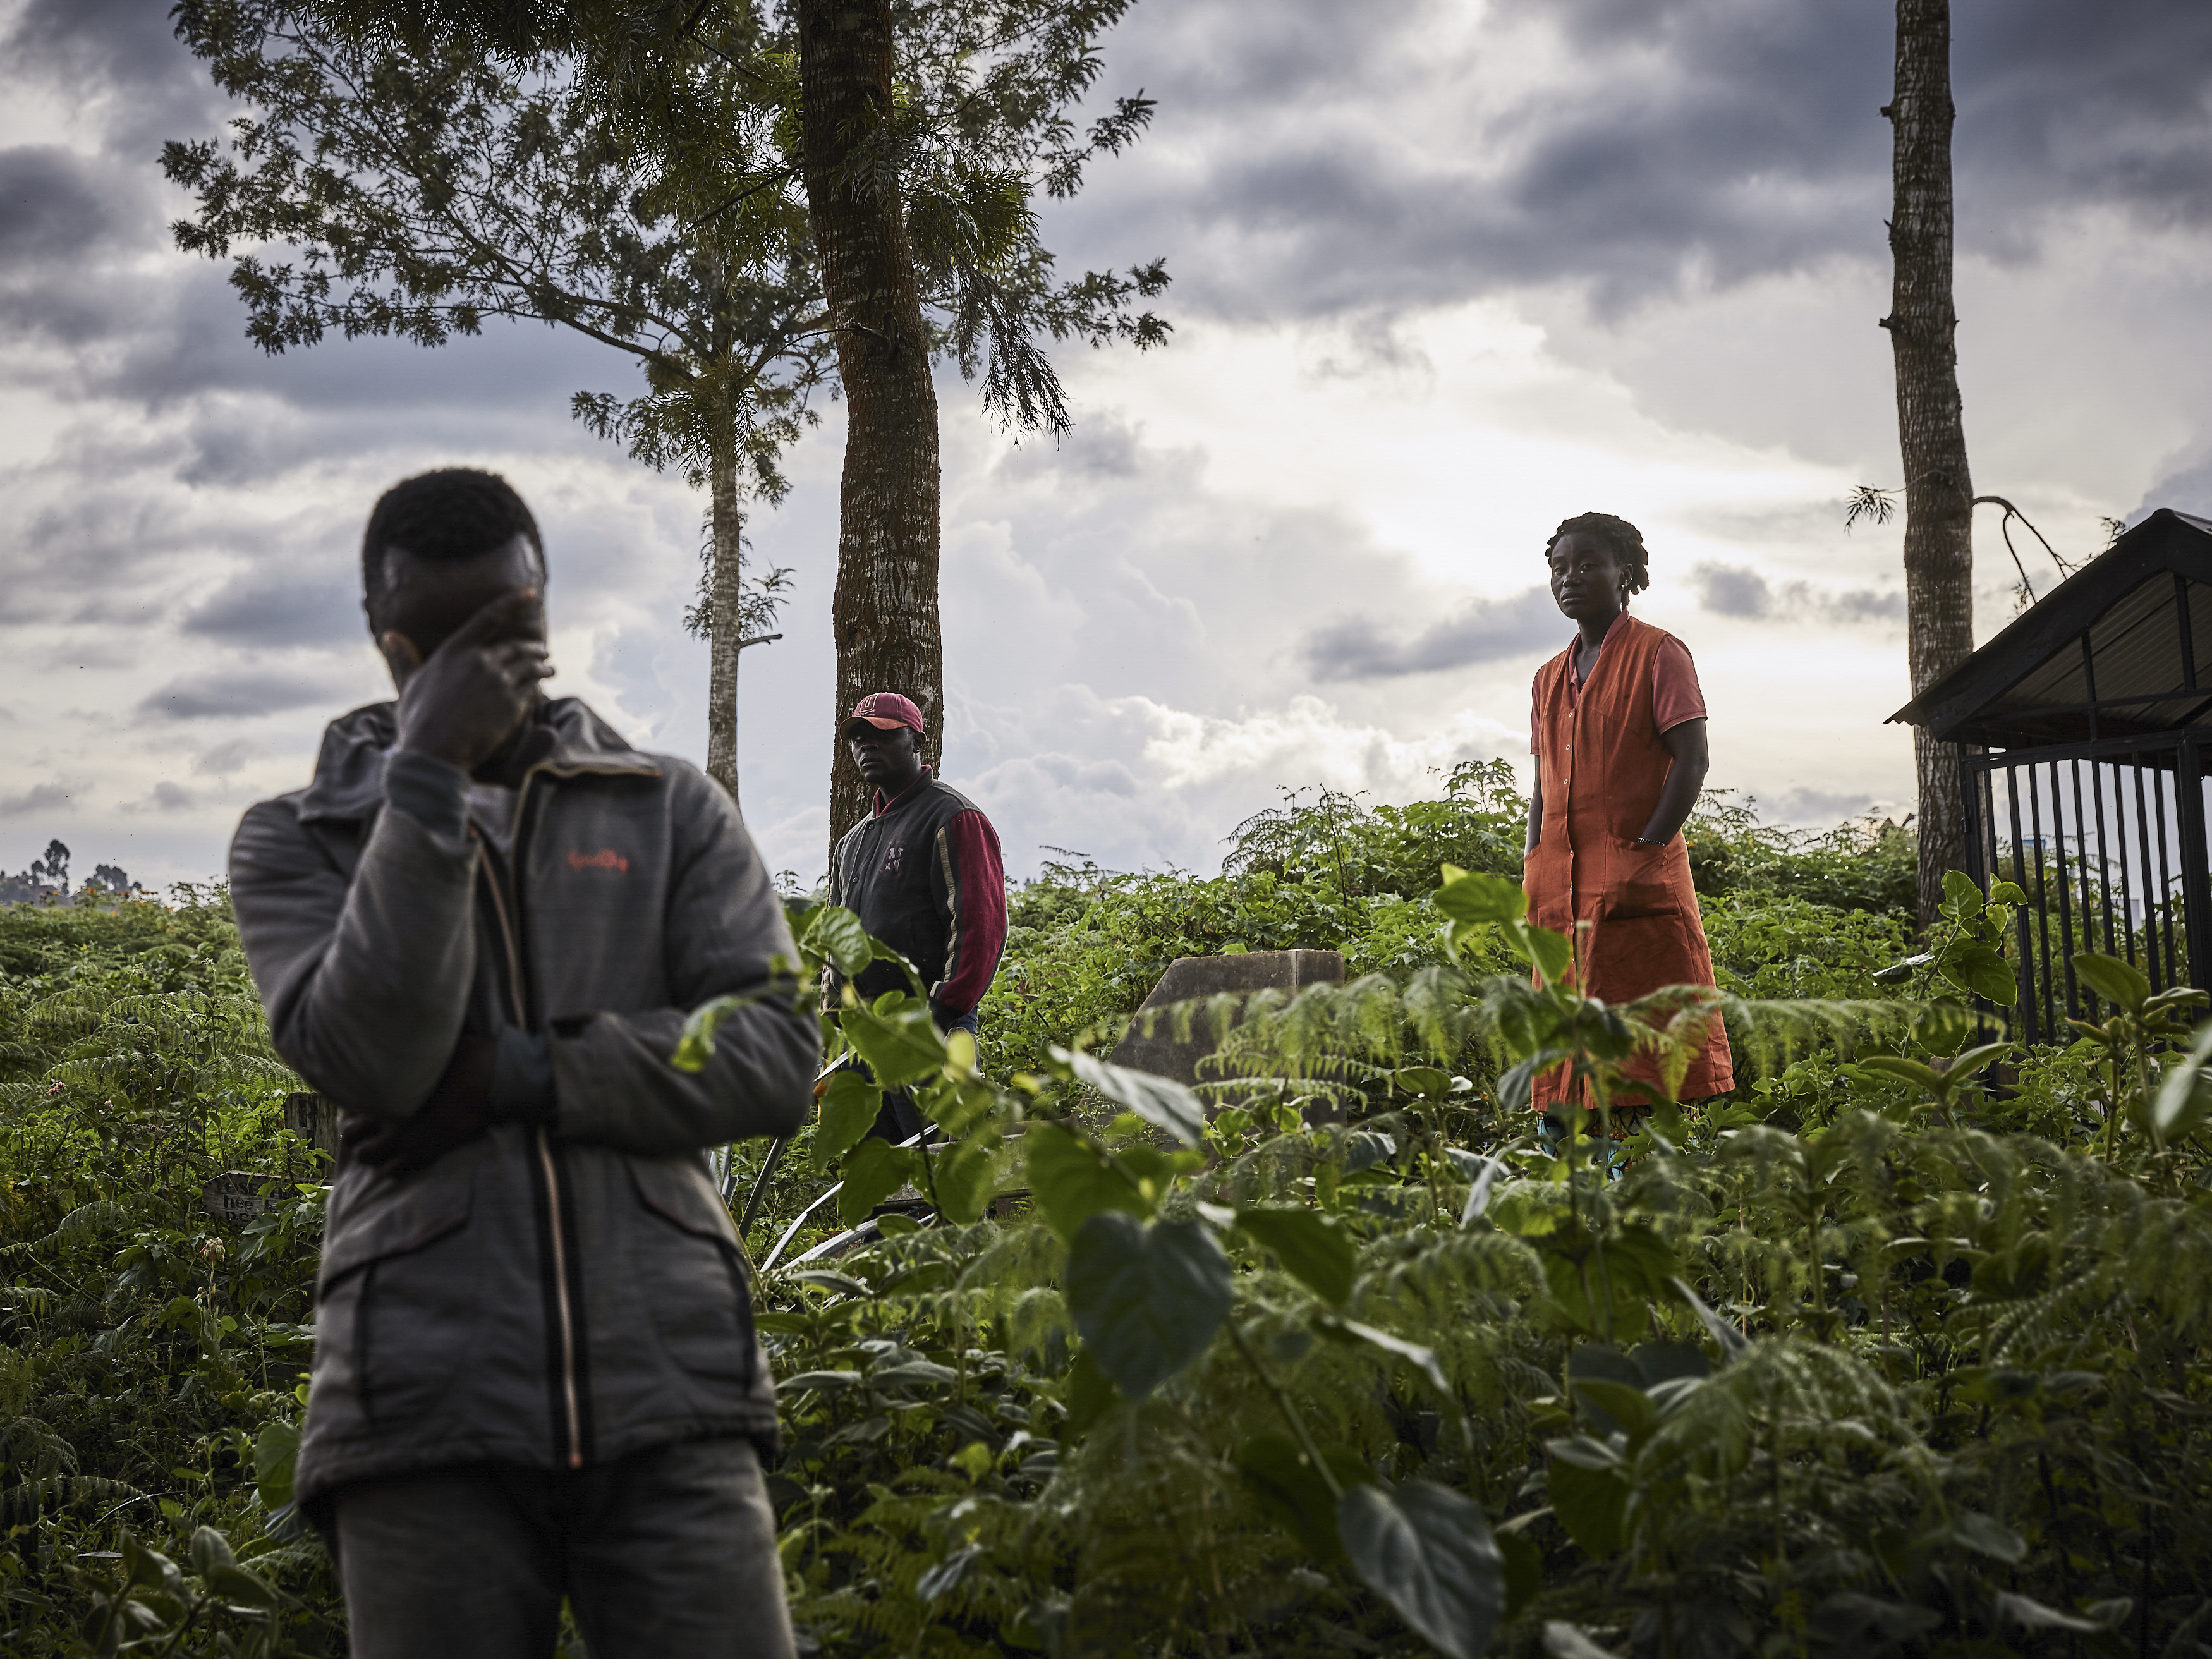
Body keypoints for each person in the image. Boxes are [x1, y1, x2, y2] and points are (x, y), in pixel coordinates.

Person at [227, 468, 816, 1659]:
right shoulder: (295, 840)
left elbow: (775, 1055)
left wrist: (514, 1076)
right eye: (442, 648)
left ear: (542, 612)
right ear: (388, 647)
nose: (482, 670)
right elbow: (376, 1061)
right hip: (418, 1404)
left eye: (505, 634)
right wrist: (430, 775)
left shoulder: (668, 809)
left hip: (674, 1387)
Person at [1522, 511, 1735, 1121]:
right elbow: (1541, 787)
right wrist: (1533, 860)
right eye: (1560, 567)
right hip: (1560, 897)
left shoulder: (1659, 653)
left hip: (1637, 886)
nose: (1571, 578)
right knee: (1566, 1056)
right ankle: (1572, 1197)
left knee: (1642, 1057)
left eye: (1589, 564)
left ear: (1627, 575)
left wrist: (1645, 849)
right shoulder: (1545, 680)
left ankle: (1641, 1194)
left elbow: (1691, 761)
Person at [826, 692, 1007, 1142]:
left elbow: (980, 930)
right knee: (881, 1183)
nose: (868, 745)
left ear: (916, 740)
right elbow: (836, 939)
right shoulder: (852, 842)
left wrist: (938, 1015)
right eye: (860, 736)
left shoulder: (953, 817)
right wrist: (832, 1029)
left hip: (931, 1029)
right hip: (864, 1041)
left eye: (884, 734)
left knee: (944, 1173)